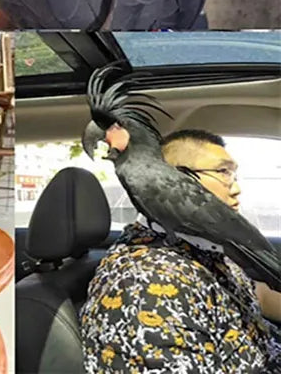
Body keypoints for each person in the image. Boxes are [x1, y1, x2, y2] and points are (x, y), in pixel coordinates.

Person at [80, 128, 281, 373]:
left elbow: (254, 294)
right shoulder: (148, 284)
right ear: (173, 180)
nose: (236, 188)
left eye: (234, 174)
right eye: (223, 172)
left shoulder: (204, 247)